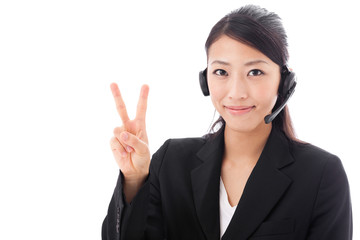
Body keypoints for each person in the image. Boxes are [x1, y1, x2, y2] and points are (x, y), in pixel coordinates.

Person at [102, 5, 352, 240]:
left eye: (255, 72)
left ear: (284, 82)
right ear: (205, 79)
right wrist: (134, 180)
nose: (236, 92)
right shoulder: (171, 161)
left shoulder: (321, 175)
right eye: (221, 72)